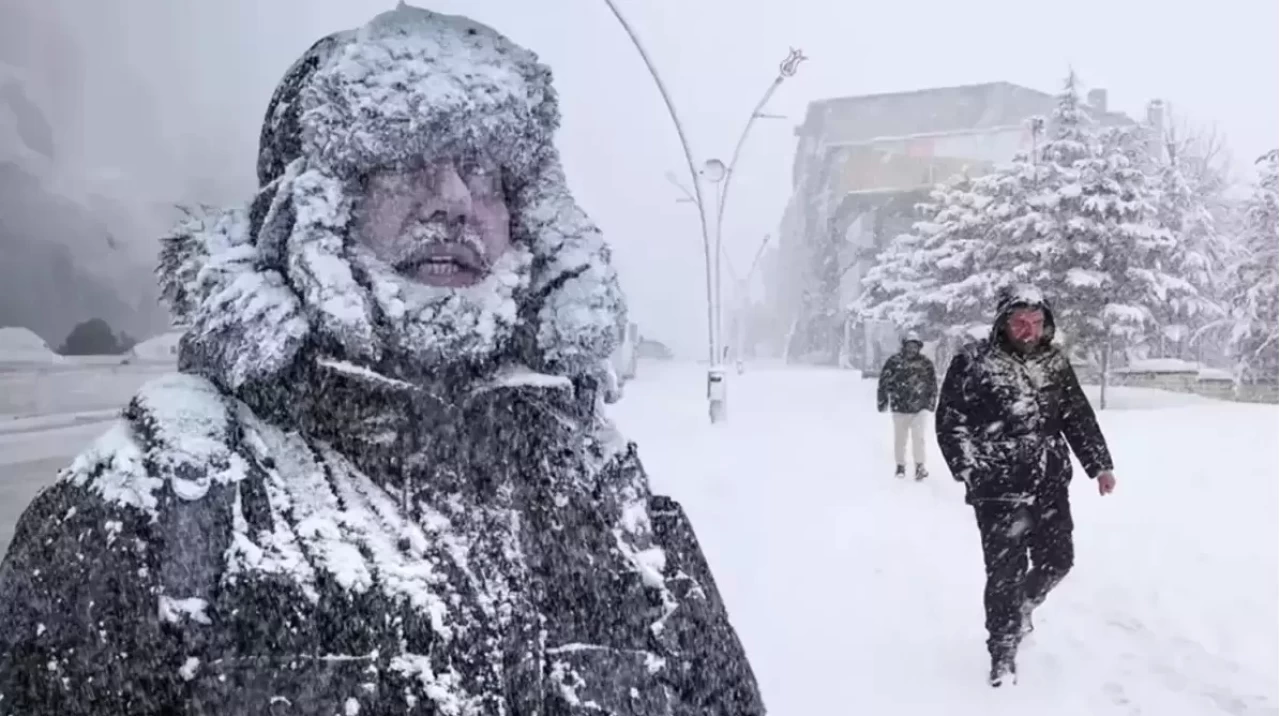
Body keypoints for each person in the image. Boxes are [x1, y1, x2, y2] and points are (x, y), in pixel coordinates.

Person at [0, 7, 765, 715]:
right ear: (308, 209)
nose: (455, 198)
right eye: (403, 159)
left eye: (485, 168)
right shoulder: (156, 505)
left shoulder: (606, 496)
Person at [935, 284, 1116, 688]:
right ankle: (1002, 652)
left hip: (1049, 481)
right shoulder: (974, 361)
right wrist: (969, 469)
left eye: (1035, 322)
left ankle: (1023, 606)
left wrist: (1099, 465)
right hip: (998, 486)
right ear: (1003, 323)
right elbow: (950, 421)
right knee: (1005, 572)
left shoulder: (1054, 361)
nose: (1028, 330)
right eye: (1019, 322)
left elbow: (1076, 416)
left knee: (1059, 560)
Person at [876, 331, 938, 480]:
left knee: (919, 438)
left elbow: (932, 384)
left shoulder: (925, 364)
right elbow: (884, 382)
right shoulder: (894, 362)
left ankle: (920, 466)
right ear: (904, 346)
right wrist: (882, 401)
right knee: (900, 439)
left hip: (919, 408)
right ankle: (900, 466)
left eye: (915, 346)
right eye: (909, 346)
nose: (912, 349)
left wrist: (931, 402)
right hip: (899, 407)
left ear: (919, 347)